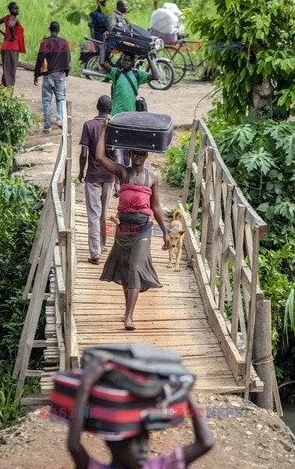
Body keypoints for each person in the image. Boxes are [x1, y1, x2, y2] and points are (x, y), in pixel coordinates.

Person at [68, 355, 214, 469]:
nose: (144, 448)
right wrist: (85, 385)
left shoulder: (162, 465)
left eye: (146, 439)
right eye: (136, 441)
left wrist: (184, 391)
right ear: (111, 443)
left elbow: (206, 443)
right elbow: (74, 445)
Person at [96, 115, 169, 331]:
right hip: (122, 229)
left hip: (143, 230)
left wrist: (164, 231)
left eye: (141, 154)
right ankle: (127, 308)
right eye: (134, 153)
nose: (137, 157)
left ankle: (129, 316)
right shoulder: (122, 172)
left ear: (146, 156)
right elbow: (100, 157)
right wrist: (104, 129)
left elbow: (156, 207)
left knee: (136, 268)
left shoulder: (152, 178)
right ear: (130, 154)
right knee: (126, 269)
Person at [99, 36, 159, 168]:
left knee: (129, 147)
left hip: (131, 118)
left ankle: (127, 173)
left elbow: (156, 76)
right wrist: (104, 42)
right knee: (116, 149)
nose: (125, 62)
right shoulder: (116, 73)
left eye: (128, 61)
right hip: (116, 117)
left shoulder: (138, 75)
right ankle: (119, 174)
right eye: (123, 60)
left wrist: (148, 56)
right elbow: (102, 62)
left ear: (133, 63)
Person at [78, 95, 114, 265]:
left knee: (94, 214)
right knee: (103, 213)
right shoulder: (114, 126)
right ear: (110, 109)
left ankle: (95, 252)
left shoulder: (88, 125)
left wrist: (80, 172)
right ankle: (102, 245)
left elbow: (84, 153)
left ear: (96, 107)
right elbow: (117, 154)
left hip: (92, 175)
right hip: (109, 175)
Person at [34, 21, 71, 133]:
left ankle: (47, 127)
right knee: (60, 99)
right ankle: (59, 121)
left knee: (46, 101)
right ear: (58, 30)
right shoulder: (64, 42)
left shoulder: (46, 42)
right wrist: (66, 73)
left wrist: (36, 74)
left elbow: (40, 58)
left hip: (48, 76)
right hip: (60, 76)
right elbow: (68, 59)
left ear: (49, 29)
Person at [0, 2, 26, 87]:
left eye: (18, 8)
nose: (17, 10)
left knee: (6, 70)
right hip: (12, 47)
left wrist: (4, 33)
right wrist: (13, 36)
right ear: (10, 10)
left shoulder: (6, 18)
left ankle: (3, 93)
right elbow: (11, 26)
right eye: (15, 8)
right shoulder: (15, 18)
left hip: (5, 47)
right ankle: (8, 93)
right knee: (11, 71)